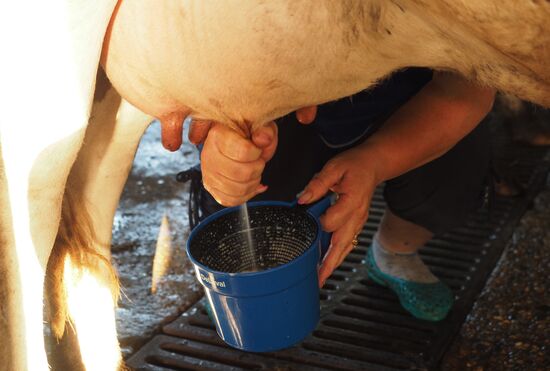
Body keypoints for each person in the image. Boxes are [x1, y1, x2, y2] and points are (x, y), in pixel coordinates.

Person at [186, 68, 495, 321]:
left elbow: (467, 92)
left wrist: (375, 162)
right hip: (276, 101)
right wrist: (227, 132)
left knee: (460, 164)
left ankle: (394, 251)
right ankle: (236, 280)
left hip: (408, 100)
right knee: (244, 174)